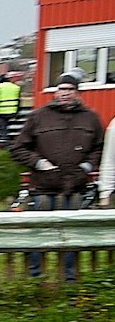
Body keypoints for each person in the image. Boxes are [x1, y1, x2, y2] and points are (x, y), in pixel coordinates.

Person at [8, 72, 104, 281]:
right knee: (39, 234)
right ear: (56, 92)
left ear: (77, 92)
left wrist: (87, 167)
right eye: (62, 89)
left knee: (71, 236)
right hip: (43, 188)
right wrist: (40, 163)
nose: (65, 94)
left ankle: (69, 280)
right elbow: (18, 148)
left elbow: (99, 148)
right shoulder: (38, 116)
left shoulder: (90, 118)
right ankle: (35, 279)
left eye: (70, 90)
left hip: (75, 187)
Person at [0, 72, 23, 143]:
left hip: (1, 110)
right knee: (9, 124)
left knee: (2, 126)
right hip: (13, 110)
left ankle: (4, 139)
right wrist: (18, 111)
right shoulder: (16, 87)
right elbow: (18, 100)